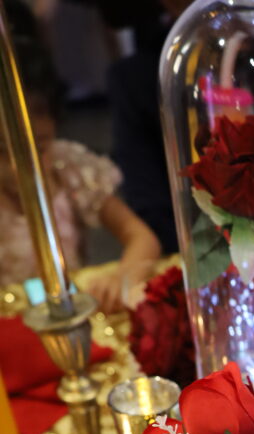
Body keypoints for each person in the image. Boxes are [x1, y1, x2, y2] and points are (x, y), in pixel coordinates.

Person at [0, 33, 161, 311]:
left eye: (39, 147)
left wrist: (121, 278)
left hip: (72, 320)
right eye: (2, 151)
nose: (19, 166)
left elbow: (141, 236)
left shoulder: (69, 166)